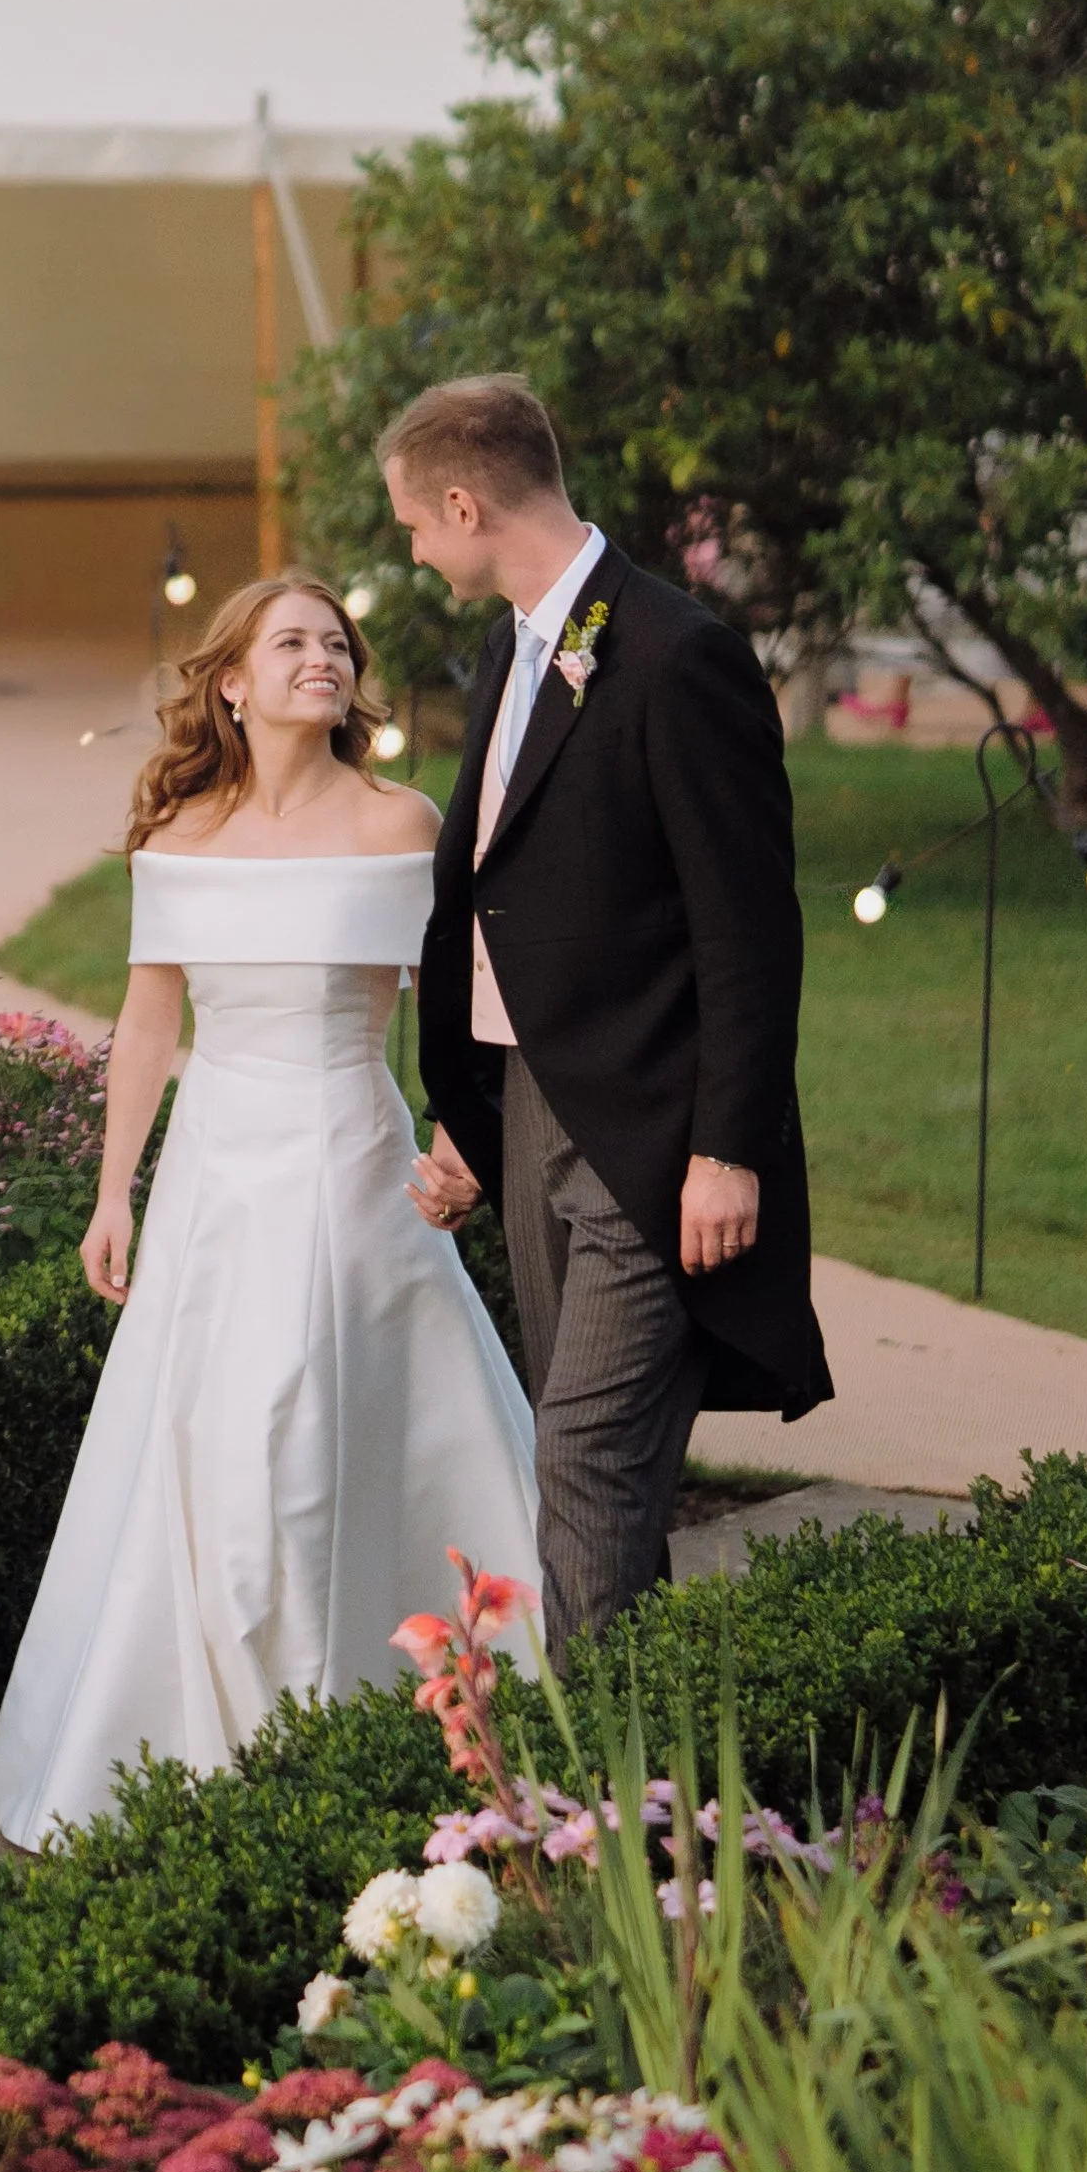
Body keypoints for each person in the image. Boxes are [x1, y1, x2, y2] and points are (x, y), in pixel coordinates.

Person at [0, 574, 538, 1852]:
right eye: (291, 643)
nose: (322, 661)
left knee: (327, 1418)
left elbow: (471, 1000)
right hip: (216, 1174)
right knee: (213, 1434)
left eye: (336, 645)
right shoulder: (179, 833)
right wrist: (113, 1189)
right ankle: (209, 1732)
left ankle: (373, 1705)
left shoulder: (402, 822)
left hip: (351, 1159)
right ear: (231, 681)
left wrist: (466, 1136)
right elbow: (147, 1021)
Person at [388, 376, 833, 1669]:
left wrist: (728, 1146)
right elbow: (507, 896)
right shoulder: (509, 646)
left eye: (418, 522)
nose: (416, 547)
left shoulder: (679, 653)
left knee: (585, 1457)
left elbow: (748, 926)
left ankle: (601, 1794)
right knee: (591, 1459)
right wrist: (476, 1115)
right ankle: (650, 1783)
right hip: (531, 1109)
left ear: (467, 504)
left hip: (652, 1132)